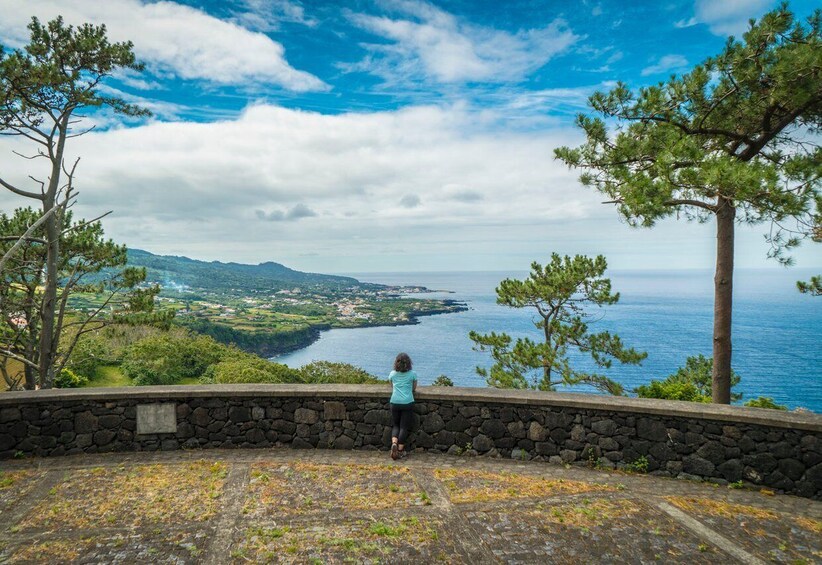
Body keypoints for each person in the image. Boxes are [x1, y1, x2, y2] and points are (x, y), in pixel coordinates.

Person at [388, 352, 417, 460]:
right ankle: (400, 451)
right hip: (407, 402)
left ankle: (394, 443)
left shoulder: (392, 374)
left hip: (394, 402)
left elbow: (392, 386)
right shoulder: (412, 374)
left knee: (396, 425)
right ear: (408, 363)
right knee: (404, 427)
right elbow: (413, 389)